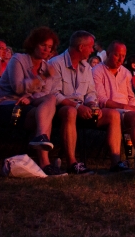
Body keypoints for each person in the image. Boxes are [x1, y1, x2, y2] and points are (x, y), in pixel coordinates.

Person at [48, 31, 128, 174]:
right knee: (70, 112)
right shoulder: (56, 64)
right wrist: (78, 106)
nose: (92, 50)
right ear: (80, 47)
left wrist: (92, 104)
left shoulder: (86, 67)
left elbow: (91, 92)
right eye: (90, 47)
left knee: (113, 115)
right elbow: (54, 94)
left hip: (83, 108)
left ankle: (116, 163)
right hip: (61, 108)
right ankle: (72, 163)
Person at [0, 27, 61, 174]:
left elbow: (45, 93)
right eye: (43, 45)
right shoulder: (18, 59)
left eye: (49, 47)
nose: (46, 50)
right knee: (42, 114)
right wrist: (41, 78)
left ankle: (41, 141)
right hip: (5, 104)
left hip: (28, 106)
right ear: (34, 44)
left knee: (50, 100)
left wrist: (30, 97)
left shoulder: (46, 67)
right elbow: (18, 87)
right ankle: (45, 163)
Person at [92, 41, 135, 154]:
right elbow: (101, 99)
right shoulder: (97, 71)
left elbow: (131, 97)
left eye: (123, 56)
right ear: (108, 53)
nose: (120, 59)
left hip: (129, 111)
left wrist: (131, 107)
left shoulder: (126, 73)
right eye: (117, 55)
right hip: (111, 111)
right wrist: (125, 107)